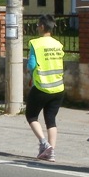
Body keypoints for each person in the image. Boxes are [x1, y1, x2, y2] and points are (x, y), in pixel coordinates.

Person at [26, 14, 66, 163]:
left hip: (42, 86)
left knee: (31, 116)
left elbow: (31, 65)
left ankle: (44, 143)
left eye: (37, 25)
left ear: (42, 27)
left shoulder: (36, 43)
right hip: (58, 87)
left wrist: (28, 71)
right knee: (51, 119)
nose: (37, 27)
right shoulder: (58, 44)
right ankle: (51, 152)